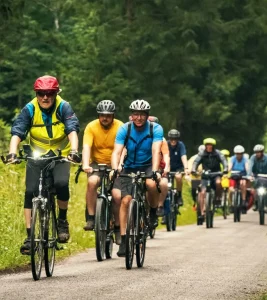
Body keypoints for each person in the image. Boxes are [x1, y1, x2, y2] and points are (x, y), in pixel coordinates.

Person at [6, 75, 80, 254]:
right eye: (41, 93)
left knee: (61, 183)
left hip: (61, 155)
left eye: (49, 93)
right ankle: (29, 237)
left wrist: (74, 151)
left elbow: (72, 129)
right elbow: (18, 130)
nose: (45, 97)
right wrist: (12, 152)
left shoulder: (63, 106)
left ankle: (62, 221)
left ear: (55, 93)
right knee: (30, 191)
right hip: (36, 156)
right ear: (36, 94)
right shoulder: (30, 108)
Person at [111, 99, 163, 257]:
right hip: (130, 166)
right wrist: (115, 168)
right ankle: (124, 240)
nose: (139, 117)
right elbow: (117, 151)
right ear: (131, 116)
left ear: (147, 116)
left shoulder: (156, 128)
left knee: (152, 185)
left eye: (142, 114)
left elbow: (156, 151)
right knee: (125, 200)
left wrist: (154, 170)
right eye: (136, 114)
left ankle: (153, 212)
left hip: (148, 165)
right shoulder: (124, 129)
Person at [82, 100, 123, 244]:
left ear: (113, 115)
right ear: (98, 115)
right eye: (102, 115)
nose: (105, 118)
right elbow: (87, 147)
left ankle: (118, 228)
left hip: (115, 164)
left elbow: (123, 148)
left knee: (117, 196)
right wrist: (86, 164)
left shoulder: (120, 126)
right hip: (96, 164)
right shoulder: (91, 127)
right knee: (92, 182)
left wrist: (119, 165)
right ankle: (91, 218)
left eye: (108, 115)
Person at [192, 138, 228, 221]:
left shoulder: (218, 153)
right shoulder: (202, 153)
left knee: (219, 183)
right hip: (205, 175)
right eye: (207, 145)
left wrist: (225, 168)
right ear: (205, 146)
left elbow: (224, 161)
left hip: (216, 174)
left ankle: (218, 198)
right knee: (202, 192)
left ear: (213, 146)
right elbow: (196, 162)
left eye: (210, 145)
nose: (209, 146)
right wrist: (194, 169)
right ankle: (202, 212)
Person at [147, 116, 170, 217]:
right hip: (145, 168)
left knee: (164, 184)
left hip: (159, 169)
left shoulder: (162, 139)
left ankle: (159, 206)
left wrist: (166, 168)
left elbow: (166, 155)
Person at [167, 129, 189, 206]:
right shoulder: (165, 144)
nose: (173, 141)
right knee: (164, 184)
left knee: (178, 177)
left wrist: (186, 168)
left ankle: (179, 195)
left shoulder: (180, 145)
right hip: (167, 168)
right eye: (171, 139)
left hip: (178, 168)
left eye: (175, 139)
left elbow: (183, 156)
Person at [228, 145, 249, 212]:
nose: (239, 155)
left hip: (242, 175)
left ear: (242, 154)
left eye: (240, 154)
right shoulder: (232, 158)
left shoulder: (245, 159)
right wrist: (226, 172)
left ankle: (243, 200)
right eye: (237, 154)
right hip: (234, 175)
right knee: (231, 189)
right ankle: (231, 204)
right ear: (235, 153)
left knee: (243, 184)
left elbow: (247, 167)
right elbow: (230, 167)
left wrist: (248, 173)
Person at [248, 144, 267, 210]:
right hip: (256, 176)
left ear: (262, 152)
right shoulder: (253, 157)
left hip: (266, 176)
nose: (257, 154)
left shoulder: (266, 157)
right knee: (254, 188)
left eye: (259, 152)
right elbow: (250, 166)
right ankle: (255, 202)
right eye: (256, 152)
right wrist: (249, 175)